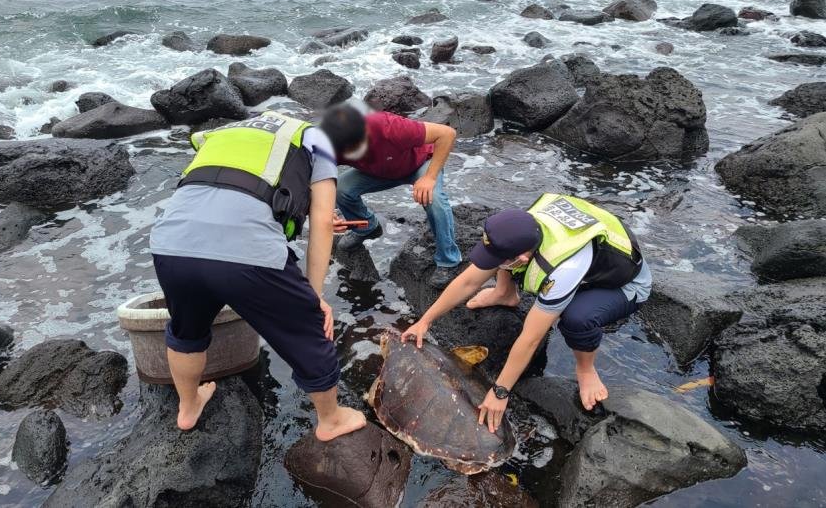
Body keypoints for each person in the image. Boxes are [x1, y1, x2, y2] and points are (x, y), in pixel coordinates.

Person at [149, 111, 366, 440]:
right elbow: (322, 223)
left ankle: (188, 406)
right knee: (307, 330)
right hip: (248, 251)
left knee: (185, 329)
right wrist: (315, 295)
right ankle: (331, 419)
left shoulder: (223, 131)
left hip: (170, 242)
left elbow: (224, 190)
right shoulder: (317, 140)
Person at [401, 194, 652, 432]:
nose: (489, 262)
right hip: (588, 252)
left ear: (522, 257)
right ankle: (505, 293)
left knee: (576, 319)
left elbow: (530, 337)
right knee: (502, 259)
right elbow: (468, 281)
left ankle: (586, 369)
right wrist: (425, 322)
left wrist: (500, 391)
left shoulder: (562, 269)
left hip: (622, 282)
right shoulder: (520, 227)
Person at [320, 104, 462, 288]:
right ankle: (367, 227)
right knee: (340, 188)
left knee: (433, 198)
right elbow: (318, 179)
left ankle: (448, 261)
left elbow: (447, 133)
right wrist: (325, 213)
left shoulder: (387, 126)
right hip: (378, 173)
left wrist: (429, 177)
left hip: (419, 166)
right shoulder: (330, 145)